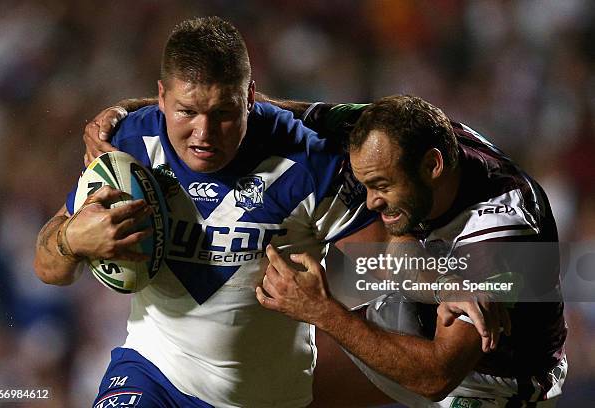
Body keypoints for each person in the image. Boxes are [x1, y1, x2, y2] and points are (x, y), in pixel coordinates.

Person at [34, 16, 398, 408]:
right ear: (160, 97)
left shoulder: (308, 162)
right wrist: (70, 240)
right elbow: (47, 267)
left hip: (269, 398)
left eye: (223, 114)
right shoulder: (128, 145)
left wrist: (459, 286)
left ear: (250, 98)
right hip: (153, 375)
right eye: (187, 111)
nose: (203, 134)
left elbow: (386, 269)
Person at [254, 96, 567, 407]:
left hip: (493, 385)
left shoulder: (501, 235)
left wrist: (321, 310)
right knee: (279, 391)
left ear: (433, 166)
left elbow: (436, 377)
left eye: (381, 185)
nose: (371, 202)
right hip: (423, 322)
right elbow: (291, 112)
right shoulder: (406, 135)